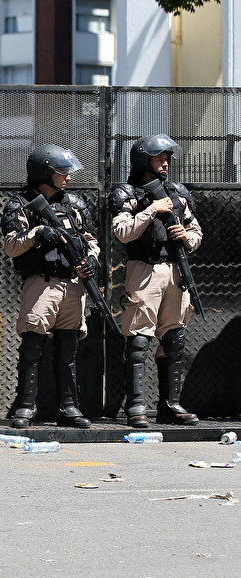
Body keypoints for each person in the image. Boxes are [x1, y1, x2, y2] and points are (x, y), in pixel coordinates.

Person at [0, 144, 98, 429]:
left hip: (73, 284)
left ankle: (69, 407)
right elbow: (11, 246)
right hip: (41, 284)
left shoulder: (75, 204)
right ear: (44, 173)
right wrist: (38, 232)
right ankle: (25, 407)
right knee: (33, 344)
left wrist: (92, 261)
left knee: (68, 347)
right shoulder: (21, 204)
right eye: (62, 172)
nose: (68, 177)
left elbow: (91, 241)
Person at [110, 134, 201, 427]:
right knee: (138, 339)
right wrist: (151, 210)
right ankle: (136, 407)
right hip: (144, 270)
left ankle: (170, 405)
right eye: (159, 158)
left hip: (176, 269)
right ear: (142, 160)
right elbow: (122, 232)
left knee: (174, 339)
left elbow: (196, 231)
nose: (165, 163)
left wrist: (186, 237)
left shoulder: (177, 194)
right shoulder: (128, 194)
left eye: (167, 158)